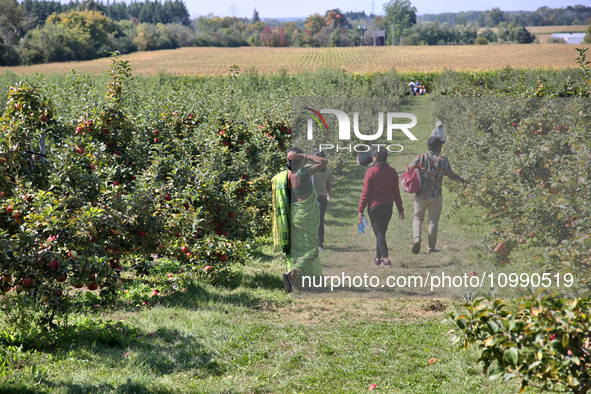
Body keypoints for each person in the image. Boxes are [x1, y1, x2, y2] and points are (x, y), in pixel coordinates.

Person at [271, 147, 328, 292]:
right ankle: (293, 273)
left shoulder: (282, 177)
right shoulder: (302, 173)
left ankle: (298, 282)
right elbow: (323, 162)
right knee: (312, 250)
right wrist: (305, 155)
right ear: (300, 160)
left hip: (292, 215)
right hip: (306, 216)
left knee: (295, 249)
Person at [406, 137, 465, 255]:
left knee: (418, 217)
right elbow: (451, 175)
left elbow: (409, 168)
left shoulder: (420, 157)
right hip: (435, 195)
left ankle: (417, 240)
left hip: (421, 194)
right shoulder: (443, 160)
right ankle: (430, 247)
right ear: (438, 147)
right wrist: (460, 179)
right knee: (432, 221)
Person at [358, 147, 404, 268]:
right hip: (388, 206)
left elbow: (366, 192)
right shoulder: (392, 172)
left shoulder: (371, 171)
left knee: (379, 233)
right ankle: (378, 258)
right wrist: (400, 208)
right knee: (381, 232)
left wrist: (361, 209)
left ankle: (385, 258)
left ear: (375, 157)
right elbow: (396, 193)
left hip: (374, 207)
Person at [312, 150, 334, 252]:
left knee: (311, 220)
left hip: (311, 197)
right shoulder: (327, 170)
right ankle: (320, 243)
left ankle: (313, 242)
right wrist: (328, 193)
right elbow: (329, 184)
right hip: (322, 197)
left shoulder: (310, 169)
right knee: (320, 220)